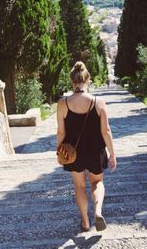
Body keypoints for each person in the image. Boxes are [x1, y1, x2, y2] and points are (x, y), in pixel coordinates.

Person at [57, 61, 117, 232]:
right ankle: (98, 212)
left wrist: (59, 152)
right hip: (95, 151)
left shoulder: (63, 103)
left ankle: (85, 222)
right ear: (87, 80)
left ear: (72, 81)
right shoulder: (99, 102)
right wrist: (112, 154)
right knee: (97, 183)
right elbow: (106, 130)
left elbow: (61, 132)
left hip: (74, 153)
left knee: (80, 186)